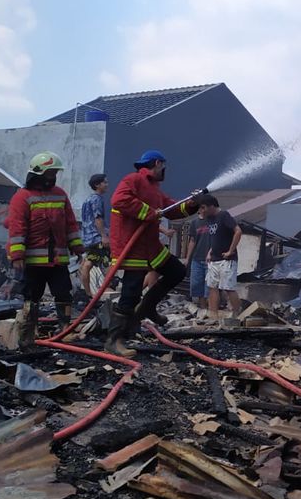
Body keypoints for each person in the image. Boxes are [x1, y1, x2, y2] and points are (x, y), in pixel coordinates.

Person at [105, 150, 196, 355]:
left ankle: (147, 307)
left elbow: (170, 209)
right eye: (163, 166)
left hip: (150, 246)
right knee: (131, 290)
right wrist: (147, 212)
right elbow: (119, 200)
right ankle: (114, 340)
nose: (165, 170)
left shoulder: (154, 188)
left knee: (176, 271)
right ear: (157, 163)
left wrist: (191, 204)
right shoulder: (134, 179)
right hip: (132, 245)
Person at [5, 151, 85, 348]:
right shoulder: (22, 197)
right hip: (32, 262)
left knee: (64, 293)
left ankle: (64, 330)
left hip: (57, 259)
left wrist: (76, 246)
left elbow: (70, 223)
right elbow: (17, 227)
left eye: (55, 173)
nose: (53, 177)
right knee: (31, 297)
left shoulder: (60, 194)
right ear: (38, 173)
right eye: (50, 172)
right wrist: (17, 255)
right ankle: (27, 334)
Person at [196, 194, 242, 318]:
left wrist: (230, 251)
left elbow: (238, 231)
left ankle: (237, 314)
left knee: (228, 287)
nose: (201, 211)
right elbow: (216, 237)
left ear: (211, 206)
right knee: (212, 286)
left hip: (227, 259)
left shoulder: (224, 216)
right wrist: (210, 252)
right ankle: (213, 315)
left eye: (203, 208)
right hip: (214, 258)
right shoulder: (210, 219)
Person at [78, 173, 108, 298]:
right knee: (90, 263)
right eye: (105, 182)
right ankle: (88, 293)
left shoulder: (87, 200)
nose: (107, 185)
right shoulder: (97, 199)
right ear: (97, 185)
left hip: (87, 236)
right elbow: (98, 218)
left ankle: (89, 292)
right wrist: (104, 236)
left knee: (89, 262)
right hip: (95, 237)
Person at [181, 211, 212, 310]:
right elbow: (192, 241)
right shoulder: (195, 222)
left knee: (210, 287)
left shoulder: (213, 221)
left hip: (210, 260)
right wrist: (187, 258)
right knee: (197, 286)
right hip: (197, 258)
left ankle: (211, 309)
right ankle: (203, 310)